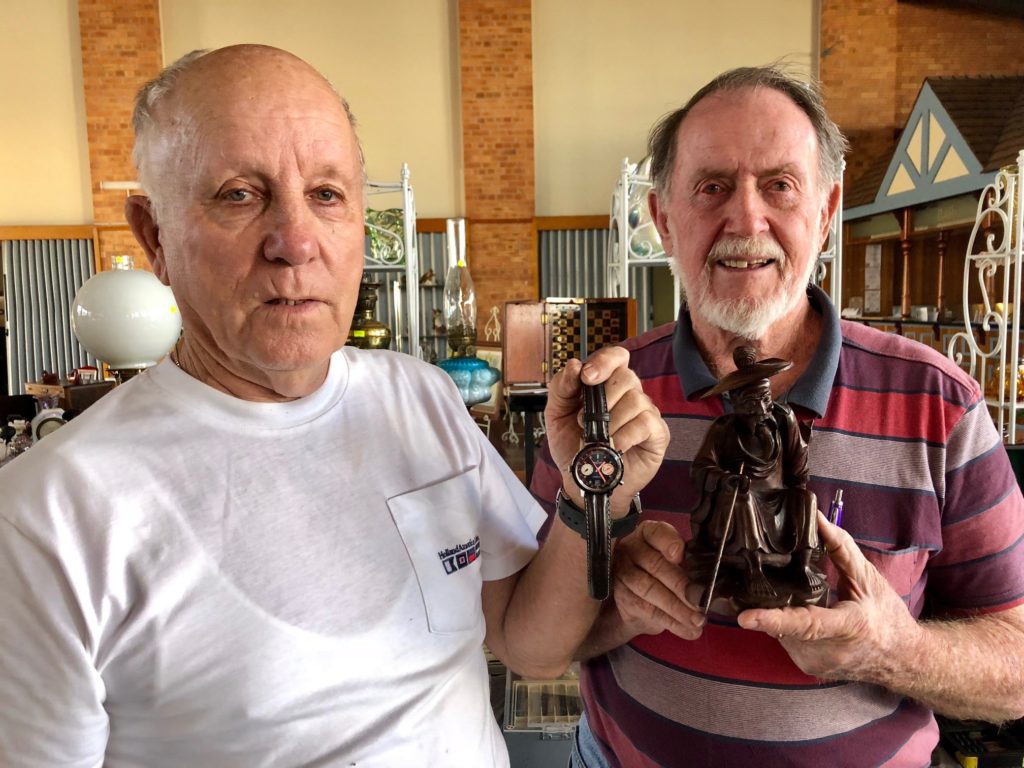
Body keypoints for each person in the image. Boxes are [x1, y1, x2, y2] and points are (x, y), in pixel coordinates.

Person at [0, 45, 669, 767]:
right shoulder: (47, 516)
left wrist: (585, 492)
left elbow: (527, 644)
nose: (294, 242)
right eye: (238, 194)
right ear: (154, 236)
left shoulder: (419, 399)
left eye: (326, 194)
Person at [531, 65, 1024, 767]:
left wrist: (894, 650)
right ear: (663, 219)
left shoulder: (939, 403)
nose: (746, 219)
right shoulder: (601, 402)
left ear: (825, 212)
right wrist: (618, 610)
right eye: (712, 188)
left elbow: (1018, 667)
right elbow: (532, 642)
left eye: (779, 186)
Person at [686, 345, 825, 612]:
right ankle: (754, 570)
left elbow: (797, 470)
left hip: (777, 498)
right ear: (736, 403)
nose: (761, 408)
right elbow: (701, 468)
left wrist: (798, 473)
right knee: (743, 498)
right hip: (737, 499)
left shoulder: (783, 420)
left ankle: (802, 564)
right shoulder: (723, 429)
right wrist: (726, 479)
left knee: (806, 498)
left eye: (765, 398)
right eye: (750, 403)